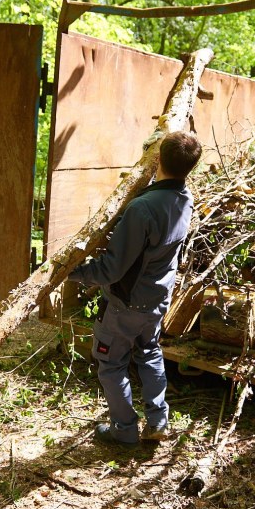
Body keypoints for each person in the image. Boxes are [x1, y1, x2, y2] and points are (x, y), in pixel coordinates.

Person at [68, 130, 202, 446]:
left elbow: (111, 270)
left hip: (126, 305)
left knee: (111, 365)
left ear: (157, 159)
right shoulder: (185, 198)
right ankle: (158, 421)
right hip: (158, 299)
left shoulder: (141, 209)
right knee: (149, 352)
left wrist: (71, 272)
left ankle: (124, 430)